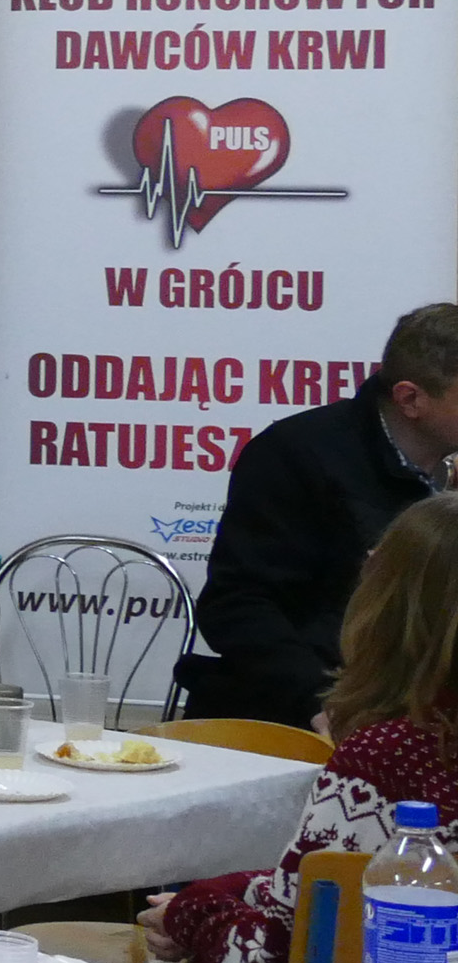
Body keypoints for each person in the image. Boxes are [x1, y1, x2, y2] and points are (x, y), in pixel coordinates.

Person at [151, 489, 458, 963]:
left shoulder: (389, 757)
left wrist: (189, 914)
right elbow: (320, 894)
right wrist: (222, 892)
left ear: (388, 604)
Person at [173, 304, 458, 727]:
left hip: (420, 714)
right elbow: (238, 606)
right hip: (302, 714)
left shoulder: (445, 465)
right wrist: (319, 704)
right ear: (410, 399)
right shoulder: (295, 455)